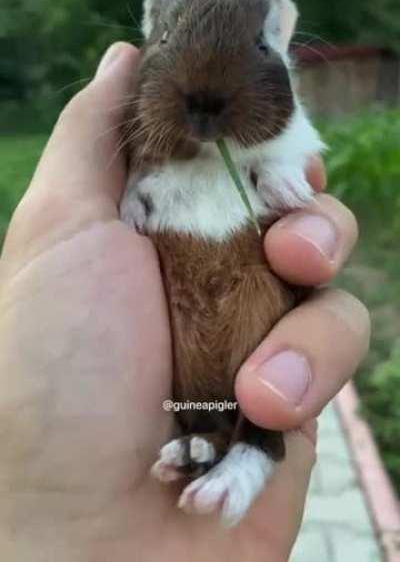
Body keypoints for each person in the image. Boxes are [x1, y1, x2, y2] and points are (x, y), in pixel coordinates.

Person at [0, 43, 370, 561]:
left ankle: (252, 450)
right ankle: (213, 440)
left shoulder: (270, 129)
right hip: (176, 358)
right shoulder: (143, 144)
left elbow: (299, 146)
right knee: (213, 389)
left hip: (244, 296)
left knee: (257, 363)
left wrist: (276, 167)